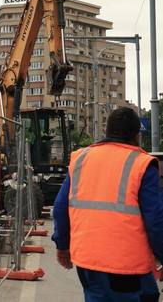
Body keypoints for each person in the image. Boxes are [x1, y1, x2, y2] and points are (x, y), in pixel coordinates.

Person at [52, 107, 163, 302]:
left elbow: (60, 207)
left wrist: (62, 246)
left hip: (86, 261)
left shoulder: (81, 158)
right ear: (137, 135)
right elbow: (156, 220)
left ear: (107, 131)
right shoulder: (142, 164)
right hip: (125, 265)